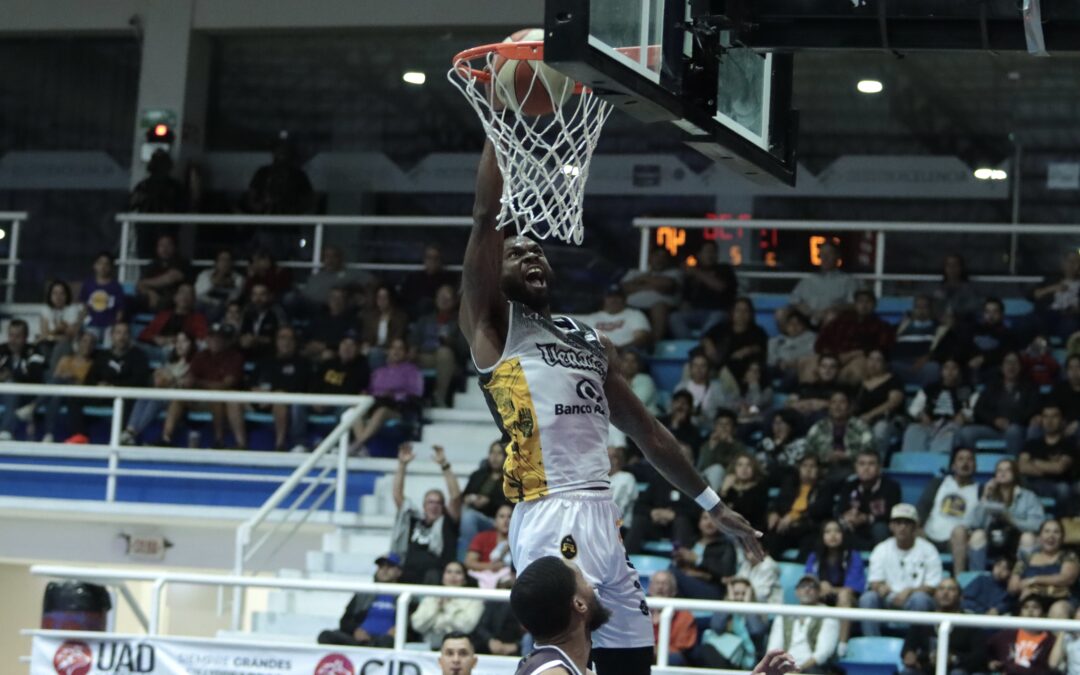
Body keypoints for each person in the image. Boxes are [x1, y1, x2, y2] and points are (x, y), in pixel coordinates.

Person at [462, 141, 762, 675]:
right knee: (560, 653)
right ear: (494, 273)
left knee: (633, 658)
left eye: (537, 250)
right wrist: (498, 125)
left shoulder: (589, 339)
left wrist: (713, 505)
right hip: (550, 508)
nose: (531, 254)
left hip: (602, 512)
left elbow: (648, 433)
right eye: (517, 253)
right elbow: (487, 218)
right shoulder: (494, 328)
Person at [511, 556, 798, 675]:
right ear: (580, 605)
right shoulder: (552, 673)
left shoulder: (569, 667)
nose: (593, 587)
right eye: (584, 582)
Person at [858, 503, 943, 637]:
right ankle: (872, 642)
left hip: (913, 599)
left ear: (914, 527)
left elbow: (932, 586)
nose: (902, 527)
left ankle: (915, 645)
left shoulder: (929, 550)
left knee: (920, 599)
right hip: (888, 598)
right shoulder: (881, 549)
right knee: (868, 598)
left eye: (907, 523)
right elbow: (874, 581)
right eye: (898, 523)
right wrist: (880, 588)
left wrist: (910, 591)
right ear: (891, 526)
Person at [161, 323, 246, 448]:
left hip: (224, 400)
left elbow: (226, 385)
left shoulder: (235, 357)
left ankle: (219, 441)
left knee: (216, 399)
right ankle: (166, 438)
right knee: (179, 397)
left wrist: (198, 382)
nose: (214, 341)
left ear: (226, 340)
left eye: (219, 338)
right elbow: (191, 377)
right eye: (212, 337)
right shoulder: (201, 356)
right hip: (200, 398)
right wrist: (187, 382)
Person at [391, 443, 462, 585]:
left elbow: (455, 497)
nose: (434, 506)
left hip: (435, 577)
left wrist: (444, 465)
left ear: (443, 507)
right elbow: (398, 496)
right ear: (424, 506)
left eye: (438, 502)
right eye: (430, 502)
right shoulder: (413, 520)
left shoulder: (447, 523)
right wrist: (402, 465)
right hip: (408, 574)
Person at [958, 457, 1045, 572]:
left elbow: (1037, 524)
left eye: (1007, 470)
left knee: (1028, 538)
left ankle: (1023, 577)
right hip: (992, 540)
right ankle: (977, 578)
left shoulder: (1028, 496)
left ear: (1015, 474)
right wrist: (985, 497)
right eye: (999, 470)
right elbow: (974, 523)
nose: (1003, 473)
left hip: (1016, 540)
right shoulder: (988, 495)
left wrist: (1012, 520)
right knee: (977, 535)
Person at [120, 331, 197, 445]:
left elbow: (184, 383)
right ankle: (129, 430)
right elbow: (158, 380)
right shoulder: (170, 360)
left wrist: (170, 379)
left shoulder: (194, 362)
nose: (180, 345)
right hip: (163, 392)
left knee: (156, 399)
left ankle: (132, 434)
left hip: (178, 400)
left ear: (191, 344)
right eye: (177, 341)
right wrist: (169, 379)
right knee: (144, 396)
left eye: (184, 341)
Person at [956, 351, 1038, 456]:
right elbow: (979, 409)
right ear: (1002, 367)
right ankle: (973, 465)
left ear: (1021, 367)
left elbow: (1032, 410)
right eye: (1008, 362)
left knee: (1013, 431)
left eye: (1015, 363)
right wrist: (994, 420)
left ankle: (1011, 467)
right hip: (993, 428)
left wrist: (1011, 421)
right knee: (966, 433)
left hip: (1017, 428)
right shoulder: (993, 386)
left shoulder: (1029, 387)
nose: (1011, 366)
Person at [350, 337, 423, 453]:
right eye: (393, 348)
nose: (396, 351)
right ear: (388, 351)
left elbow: (416, 393)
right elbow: (369, 390)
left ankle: (357, 445)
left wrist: (394, 395)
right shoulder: (379, 372)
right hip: (376, 403)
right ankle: (362, 446)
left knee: (382, 411)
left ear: (406, 353)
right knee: (355, 410)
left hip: (398, 408)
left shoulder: (412, 371)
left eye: (400, 348)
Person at [807, 291, 895, 385]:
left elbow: (883, 348)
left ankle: (844, 397)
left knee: (853, 373)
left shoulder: (882, 326)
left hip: (860, 357)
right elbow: (820, 343)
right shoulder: (839, 322)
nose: (864, 305)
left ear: (874, 305)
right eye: (860, 302)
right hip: (834, 355)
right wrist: (832, 355)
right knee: (809, 367)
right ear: (855, 304)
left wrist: (855, 354)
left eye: (868, 302)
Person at [899, 578, 984, 675]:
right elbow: (907, 648)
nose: (945, 593)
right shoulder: (923, 619)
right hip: (926, 669)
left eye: (951, 589)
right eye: (941, 589)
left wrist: (953, 658)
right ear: (935, 595)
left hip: (958, 669)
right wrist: (909, 655)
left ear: (961, 597)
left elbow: (979, 656)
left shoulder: (970, 622)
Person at [626, 445, 701, 554]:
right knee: (640, 519)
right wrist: (652, 512)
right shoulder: (659, 480)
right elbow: (639, 506)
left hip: (684, 530)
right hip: (657, 527)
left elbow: (699, 511)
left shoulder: (697, 484)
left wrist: (674, 514)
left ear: (692, 461)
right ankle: (624, 562)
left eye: (683, 457)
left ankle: (680, 562)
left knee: (682, 521)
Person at [804, 520, 865, 654]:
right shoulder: (814, 558)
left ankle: (841, 645)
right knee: (809, 594)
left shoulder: (852, 556)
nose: (833, 535)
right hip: (822, 597)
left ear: (843, 534)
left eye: (837, 531)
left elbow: (851, 588)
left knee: (844, 596)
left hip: (849, 601)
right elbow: (808, 582)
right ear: (822, 536)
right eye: (828, 532)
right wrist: (819, 587)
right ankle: (807, 643)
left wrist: (829, 588)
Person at [317, 552, 401, 647]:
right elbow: (345, 621)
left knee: (387, 641)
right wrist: (355, 631)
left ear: (399, 572)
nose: (384, 570)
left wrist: (399, 630)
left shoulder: (405, 595)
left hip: (385, 642)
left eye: (390, 566)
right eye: (381, 566)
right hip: (358, 641)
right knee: (325, 636)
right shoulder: (363, 593)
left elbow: (411, 626)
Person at [252, 326, 310, 451]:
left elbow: (300, 389)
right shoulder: (265, 361)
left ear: (295, 342)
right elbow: (252, 385)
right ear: (276, 341)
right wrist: (260, 394)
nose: (286, 342)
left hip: (286, 407)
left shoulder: (302, 363)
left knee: (280, 403)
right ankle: (237, 444)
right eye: (282, 338)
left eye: (290, 338)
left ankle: (280, 445)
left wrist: (273, 396)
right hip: (261, 402)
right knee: (233, 401)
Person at [410, 284, 469, 407]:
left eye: (447, 298)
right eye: (441, 297)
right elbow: (414, 340)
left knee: (444, 354)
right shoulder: (425, 319)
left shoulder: (460, 321)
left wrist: (451, 342)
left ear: (454, 301)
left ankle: (439, 397)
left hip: (449, 359)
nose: (443, 301)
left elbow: (464, 349)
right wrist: (413, 350)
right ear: (436, 299)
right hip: (425, 356)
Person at [765, 575, 839, 674]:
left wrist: (799, 669)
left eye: (812, 586)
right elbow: (773, 649)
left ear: (819, 592)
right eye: (803, 586)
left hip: (813, 668)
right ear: (796, 592)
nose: (807, 589)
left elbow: (823, 653)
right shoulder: (784, 615)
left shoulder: (828, 615)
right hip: (785, 667)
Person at [916, 447, 980, 559]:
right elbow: (923, 506)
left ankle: (959, 576)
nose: (965, 463)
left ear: (975, 466)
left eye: (969, 460)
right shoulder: (939, 483)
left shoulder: (980, 490)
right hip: (929, 536)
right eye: (960, 459)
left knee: (960, 533)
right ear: (953, 465)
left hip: (956, 541)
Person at [765, 455, 834, 559]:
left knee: (811, 544)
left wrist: (795, 517)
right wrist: (773, 512)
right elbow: (777, 503)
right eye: (804, 466)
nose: (808, 469)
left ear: (818, 470)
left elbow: (820, 509)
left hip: (809, 529)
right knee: (769, 541)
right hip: (786, 528)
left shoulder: (825, 487)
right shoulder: (790, 484)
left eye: (812, 466)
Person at [1008, 518, 1079, 619]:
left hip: (1061, 600)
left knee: (1058, 609)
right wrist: (1025, 588)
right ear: (1039, 537)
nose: (1051, 536)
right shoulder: (1026, 559)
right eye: (1047, 531)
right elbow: (1013, 587)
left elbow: (1066, 578)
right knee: (1029, 607)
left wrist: (1034, 580)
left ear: (1062, 538)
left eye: (1056, 532)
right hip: (1032, 600)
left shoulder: (1069, 556)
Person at [779, 241, 860, 328]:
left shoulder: (847, 281)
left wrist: (833, 309)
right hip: (808, 317)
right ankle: (789, 341)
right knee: (781, 313)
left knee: (831, 317)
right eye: (822, 254)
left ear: (837, 257)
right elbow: (794, 300)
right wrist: (806, 310)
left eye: (829, 254)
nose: (825, 257)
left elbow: (853, 304)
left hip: (831, 317)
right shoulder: (809, 279)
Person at [669, 240, 737, 339]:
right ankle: (688, 346)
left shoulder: (724, 269)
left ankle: (703, 345)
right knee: (674, 317)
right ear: (699, 255)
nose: (710, 255)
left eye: (713, 252)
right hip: (695, 313)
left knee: (718, 317)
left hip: (718, 312)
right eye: (707, 251)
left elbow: (719, 286)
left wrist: (696, 272)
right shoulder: (691, 275)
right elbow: (685, 300)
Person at [901, 358, 972, 453]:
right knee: (913, 430)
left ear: (959, 371)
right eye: (946, 368)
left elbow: (971, 410)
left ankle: (935, 462)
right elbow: (914, 408)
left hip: (951, 425)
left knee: (949, 434)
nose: (950, 372)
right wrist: (921, 414)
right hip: (929, 424)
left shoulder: (967, 389)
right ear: (941, 371)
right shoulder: (930, 388)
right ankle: (913, 465)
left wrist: (963, 415)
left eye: (954, 368)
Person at [805, 391, 876, 484]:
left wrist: (847, 455)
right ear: (829, 407)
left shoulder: (861, 427)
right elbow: (808, 452)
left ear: (849, 407)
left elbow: (870, 450)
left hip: (852, 468)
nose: (837, 406)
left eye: (842, 402)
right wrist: (825, 457)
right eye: (834, 402)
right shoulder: (818, 427)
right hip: (823, 469)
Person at [835, 450, 901, 550]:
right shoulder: (849, 486)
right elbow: (840, 510)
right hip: (854, 529)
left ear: (879, 468)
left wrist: (866, 518)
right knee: (834, 527)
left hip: (875, 530)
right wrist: (847, 517)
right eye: (862, 464)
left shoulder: (891, 487)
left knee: (880, 528)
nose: (866, 468)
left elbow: (891, 515)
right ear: (856, 467)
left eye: (871, 464)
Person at [410, 560, 484, 648]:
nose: (453, 576)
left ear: (464, 579)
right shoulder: (431, 598)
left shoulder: (474, 600)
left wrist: (448, 606)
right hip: (429, 645)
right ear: (443, 577)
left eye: (458, 572)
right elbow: (417, 625)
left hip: (459, 647)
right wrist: (436, 607)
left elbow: (466, 627)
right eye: (449, 572)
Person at [39, 331, 97, 442]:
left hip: (76, 398)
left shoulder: (93, 365)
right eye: (84, 341)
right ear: (78, 343)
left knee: (61, 387)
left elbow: (87, 385)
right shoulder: (65, 360)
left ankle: (34, 407)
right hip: (59, 395)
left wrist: (72, 379)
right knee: (56, 396)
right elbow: (54, 380)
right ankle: (49, 434)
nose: (87, 345)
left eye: (91, 342)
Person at [459, 440, 512, 558]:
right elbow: (464, 495)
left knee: (469, 517)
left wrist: (488, 502)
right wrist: (468, 498)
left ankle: (468, 557)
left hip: (499, 519)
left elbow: (511, 502)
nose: (495, 457)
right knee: (467, 516)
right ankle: (468, 558)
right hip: (476, 517)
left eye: (499, 453)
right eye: (492, 453)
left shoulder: (510, 478)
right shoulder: (478, 474)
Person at [1019, 403, 1076, 509]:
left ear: (1062, 420)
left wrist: (1034, 462)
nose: (1049, 421)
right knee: (1019, 482)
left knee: (1063, 489)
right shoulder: (1032, 443)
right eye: (1046, 416)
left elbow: (1059, 468)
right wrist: (1049, 468)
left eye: (1054, 416)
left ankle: (1061, 519)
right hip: (1035, 485)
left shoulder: (1069, 444)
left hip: (1058, 485)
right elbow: (1022, 467)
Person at [671, 510, 736, 600]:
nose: (709, 523)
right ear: (699, 522)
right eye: (705, 518)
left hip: (711, 588)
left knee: (672, 572)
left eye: (713, 519)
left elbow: (726, 572)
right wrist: (679, 558)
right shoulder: (692, 541)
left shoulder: (726, 545)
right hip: (687, 582)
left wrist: (698, 560)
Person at [621, 247, 683, 342]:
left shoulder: (674, 273)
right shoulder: (634, 272)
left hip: (661, 309)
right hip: (632, 307)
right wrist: (653, 284)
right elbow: (625, 288)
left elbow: (666, 286)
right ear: (650, 258)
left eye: (663, 257)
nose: (660, 259)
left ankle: (655, 343)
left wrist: (642, 280)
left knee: (659, 306)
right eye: (657, 255)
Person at [0, 319, 47, 440]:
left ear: (25, 337)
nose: (13, 340)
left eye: (17, 336)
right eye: (11, 335)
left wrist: (12, 376)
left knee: (11, 386)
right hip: (3, 393)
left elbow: (36, 377)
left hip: (27, 394)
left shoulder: (34, 351)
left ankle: (6, 431)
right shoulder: (2, 350)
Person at [242, 138, 315, 215]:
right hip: (265, 218)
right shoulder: (263, 172)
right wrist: (258, 206)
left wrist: (295, 211)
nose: (281, 153)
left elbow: (309, 198)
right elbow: (251, 194)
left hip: (290, 220)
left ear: (289, 152)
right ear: (273, 152)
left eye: (284, 150)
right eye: (278, 149)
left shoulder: (298, 175)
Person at [987, 595, 1057, 675]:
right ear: (1020, 613)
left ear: (1043, 614)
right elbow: (986, 650)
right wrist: (990, 662)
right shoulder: (1006, 635)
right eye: (1026, 608)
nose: (1030, 611)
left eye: (1035, 607)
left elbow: (1052, 667)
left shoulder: (1051, 640)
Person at [700, 297, 767, 380]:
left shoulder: (758, 331)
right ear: (732, 312)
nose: (741, 314)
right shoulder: (723, 327)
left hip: (738, 372)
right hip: (717, 365)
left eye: (745, 311)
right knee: (691, 366)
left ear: (751, 314)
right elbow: (706, 336)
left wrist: (749, 350)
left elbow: (761, 348)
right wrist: (708, 344)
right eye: (738, 310)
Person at [853, 348, 905, 456]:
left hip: (888, 420)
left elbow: (893, 402)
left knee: (880, 429)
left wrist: (870, 416)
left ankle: (876, 462)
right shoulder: (861, 384)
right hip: (864, 421)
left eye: (878, 360)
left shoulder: (894, 380)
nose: (873, 363)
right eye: (871, 359)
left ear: (885, 363)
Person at [137, 282, 208, 351]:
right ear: (175, 297)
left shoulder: (198, 318)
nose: (185, 296)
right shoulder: (163, 315)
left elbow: (201, 339)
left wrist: (177, 340)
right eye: (182, 292)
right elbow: (144, 334)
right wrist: (155, 338)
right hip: (157, 348)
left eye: (189, 293)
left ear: (194, 300)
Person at [646, 570, 698, 666]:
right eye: (657, 583)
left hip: (669, 659)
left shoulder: (685, 616)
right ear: (650, 588)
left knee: (674, 658)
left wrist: (654, 650)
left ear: (673, 591)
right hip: (642, 655)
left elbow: (681, 648)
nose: (660, 587)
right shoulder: (637, 612)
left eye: (665, 584)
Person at [301, 245, 376, 310]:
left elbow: (374, 282)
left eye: (333, 256)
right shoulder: (316, 277)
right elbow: (305, 295)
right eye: (327, 256)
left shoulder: (350, 274)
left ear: (340, 258)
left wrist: (366, 297)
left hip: (337, 311)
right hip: (311, 310)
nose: (330, 260)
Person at [675, 353, 738, 428]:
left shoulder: (717, 388)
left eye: (702, 366)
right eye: (695, 365)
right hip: (683, 427)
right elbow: (672, 409)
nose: (698, 369)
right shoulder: (681, 387)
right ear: (691, 369)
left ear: (708, 369)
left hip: (708, 427)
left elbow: (724, 409)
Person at [581, 285, 651, 351]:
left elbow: (641, 339)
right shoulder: (591, 318)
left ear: (624, 299)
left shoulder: (635, 314)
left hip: (625, 355)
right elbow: (583, 340)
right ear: (603, 299)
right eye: (610, 296)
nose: (614, 300)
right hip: (597, 355)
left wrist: (620, 350)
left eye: (618, 296)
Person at [891, 294, 942, 386]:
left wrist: (927, 358)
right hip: (902, 364)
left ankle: (926, 397)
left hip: (926, 364)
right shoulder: (900, 327)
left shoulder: (939, 328)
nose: (921, 310)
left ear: (931, 309)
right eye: (918, 307)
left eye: (925, 307)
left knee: (933, 368)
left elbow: (942, 349)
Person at [400, 244, 459, 319]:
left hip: (442, 318)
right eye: (429, 257)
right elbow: (404, 301)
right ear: (424, 259)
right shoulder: (413, 279)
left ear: (441, 260)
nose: (432, 261)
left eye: (436, 258)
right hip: (416, 318)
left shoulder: (449, 279)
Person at [135, 233, 192, 311]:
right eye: (161, 245)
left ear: (174, 247)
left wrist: (144, 283)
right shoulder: (152, 265)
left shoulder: (182, 263)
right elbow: (139, 285)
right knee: (129, 301)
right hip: (152, 299)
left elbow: (168, 279)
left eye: (168, 245)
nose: (164, 248)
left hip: (172, 301)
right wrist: (149, 292)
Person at [1032, 250, 1080, 341]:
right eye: (1070, 261)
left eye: (1077, 262)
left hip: (1069, 317)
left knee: (1070, 326)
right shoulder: (1052, 279)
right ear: (1063, 263)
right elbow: (1035, 295)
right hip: (1048, 314)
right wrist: (1053, 288)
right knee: (1028, 322)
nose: (1073, 265)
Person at [785, 354, 845, 426]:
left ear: (837, 370)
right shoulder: (805, 386)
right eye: (824, 366)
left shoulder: (842, 389)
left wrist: (824, 404)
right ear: (818, 369)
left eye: (832, 367)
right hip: (799, 418)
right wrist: (807, 404)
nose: (827, 370)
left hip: (821, 423)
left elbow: (848, 407)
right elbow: (789, 404)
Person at [78, 252, 126, 341]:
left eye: (106, 264)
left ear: (111, 267)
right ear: (94, 265)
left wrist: (115, 326)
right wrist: (80, 322)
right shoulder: (88, 284)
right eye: (100, 263)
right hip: (92, 324)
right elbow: (83, 306)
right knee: (87, 341)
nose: (103, 267)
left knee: (111, 342)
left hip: (109, 326)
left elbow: (120, 310)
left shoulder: (116, 287)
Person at [696, 410, 750, 490]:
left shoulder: (739, 446)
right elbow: (704, 466)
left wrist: (732, 445)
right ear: (715, 427)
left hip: (729, 480)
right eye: (720, 424)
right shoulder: (707, 445)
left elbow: (741, 466)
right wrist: (712, 447)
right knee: (717, 470)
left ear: (734, 429)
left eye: (727, 424)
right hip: (707, 481)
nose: (723, 427)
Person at [472, 574, 524, 656]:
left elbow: (533, 634)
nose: (506, 591)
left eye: (509, 587)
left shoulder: (526, 604)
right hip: (492, 644)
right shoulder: (492, 603)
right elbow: (480, 627)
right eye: (502, 587)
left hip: (517, 646)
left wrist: (517, 645)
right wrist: (490, 640)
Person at [464, 504, 513, 588]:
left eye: (510, 517)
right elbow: (469, 562)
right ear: (495, 522)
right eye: (502, 516)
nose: (506, 520)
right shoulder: (482, 537)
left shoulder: (520, 541)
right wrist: (491, 567)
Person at [303, 287, 358, 362]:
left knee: (327, 355)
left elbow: (349, 342)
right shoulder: (320, 317)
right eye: (333, 297)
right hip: (313, 351)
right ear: (328, 300)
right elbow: (305, 335)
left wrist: (325, 346)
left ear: (345, 301)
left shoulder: (351, 320)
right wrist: (308, 345)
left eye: (340, 298)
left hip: (335, 354)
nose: (336, 301)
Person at [360, 285, 409, 369]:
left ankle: (377, 380)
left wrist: (388, 350)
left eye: (385, 297)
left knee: (376, 353)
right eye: (379, 297)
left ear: (391, 299)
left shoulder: (400, 317)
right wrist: (366, 345)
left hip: (391, 349)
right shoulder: (370, 316)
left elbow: (398, 336)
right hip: (373, 348)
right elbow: (367, 337)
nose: (381, 300)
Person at [755, 410, 807, 487]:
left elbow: (793, 464)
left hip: (790, 477)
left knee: (789, 475)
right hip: (768, 476)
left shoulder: (801, 443)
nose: (778, 427)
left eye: (782, 423)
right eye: (775, 423)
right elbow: (761, 463)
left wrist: (781, 445)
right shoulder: (765, 443)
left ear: (790, 426)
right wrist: (776, 448)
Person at [238, 281, 289, 361]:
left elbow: (283, 337)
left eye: (262, 294)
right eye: (255, 294)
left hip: (269, 354)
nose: (258, 298)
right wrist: (243, 339)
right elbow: (239, 333)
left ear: (270, 296)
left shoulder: (277, 312)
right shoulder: (247, 311)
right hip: (247, 352)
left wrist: (257, 340)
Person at [720, 453, 769, 533]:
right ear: (734, 469)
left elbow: (748, 511)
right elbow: (718, 512)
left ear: (754, 469)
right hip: (727, 530)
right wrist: (724, 490)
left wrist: (731, 506)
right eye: (740, 465)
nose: (744, 469)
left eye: (748, 465)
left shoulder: (760, 487)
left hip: (752, 529)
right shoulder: (728, 487)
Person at [128, 149, 186, 213]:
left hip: (168, 221)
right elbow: (130, 205)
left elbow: (182, 209)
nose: (159, 168)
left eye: (162, 164)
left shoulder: (175, 187)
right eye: (157, 164)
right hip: (146, 221)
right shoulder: (143, 186)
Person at [767, 310, 816, 386]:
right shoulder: (775, 340)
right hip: (779, 366)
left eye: (798, 324)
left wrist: (793, 363)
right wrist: (779, 362)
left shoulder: (811, 338)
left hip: (797, 367)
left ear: (804, 326)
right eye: (790, 324)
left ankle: (781, 391)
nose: (794, 327)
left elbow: (811, 355)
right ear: (785, 326)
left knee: (793, 373)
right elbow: (770, 359)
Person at [930, 253, 982, 323]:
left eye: (955, 265)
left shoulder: (970, 289)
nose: (952, 268)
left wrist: (955, 315)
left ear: (961, 267)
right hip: (939, 324)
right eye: (949, 265)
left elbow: (973, 308)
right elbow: (932, 308)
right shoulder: (937, 288)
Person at [194, 249, 244, 320]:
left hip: (224, 307)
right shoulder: (205, 274)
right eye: (222, 260)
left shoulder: (238, 278)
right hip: (205, 304)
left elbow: (235, 297)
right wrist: (215, 283)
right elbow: (198, 293)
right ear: (216, 262)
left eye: (228, 260)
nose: (225, 263)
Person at [39, 280, 81, 363]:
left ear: (67, 295)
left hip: (68, 346)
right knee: (42, 347)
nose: (58, 297)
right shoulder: (46, 310)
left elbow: (70, 336)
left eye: (62, 293)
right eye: (55, 293)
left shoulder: (72, 309)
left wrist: (51, 335)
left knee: (62, 346)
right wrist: (58, 329)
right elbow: (43, 334)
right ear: (50, 295)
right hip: (48, 345)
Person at [1049, 355, 1080, 439]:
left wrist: (1078, 423)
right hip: (1061, 425)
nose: (1074, 371)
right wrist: (1060, 422)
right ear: (1066, 371)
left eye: (1078, 367)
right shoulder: (1059, 389)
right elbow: (1052, 407)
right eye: (1071, 368)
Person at [608, 445, 639, 529]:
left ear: (615, 460)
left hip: (620, 524)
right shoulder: (600, 480)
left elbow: (620, 508)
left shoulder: (626, 478)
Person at [619, 351, 658, 415]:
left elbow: (637, 403)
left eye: (633, 361)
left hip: (649, 418)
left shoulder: (646, 380)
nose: (629, 364)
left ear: (639, 365)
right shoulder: (618, 380)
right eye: (626, 361)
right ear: (620, 363)